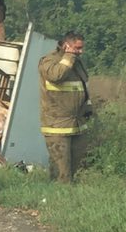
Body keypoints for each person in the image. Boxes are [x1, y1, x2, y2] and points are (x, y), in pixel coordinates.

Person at [38, 31, 93, 182]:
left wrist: (88, 108)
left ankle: (68, 197)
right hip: (57, 125)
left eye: (82, 48)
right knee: (62, 172)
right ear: (67, 46)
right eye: (77, 48)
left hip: (77, 123)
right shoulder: (49, 61)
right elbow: (56, 76)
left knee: (74, 167)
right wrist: (68, 57)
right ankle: (58, 198)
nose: (81, 51)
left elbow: (83, 86)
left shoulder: (77, 62)